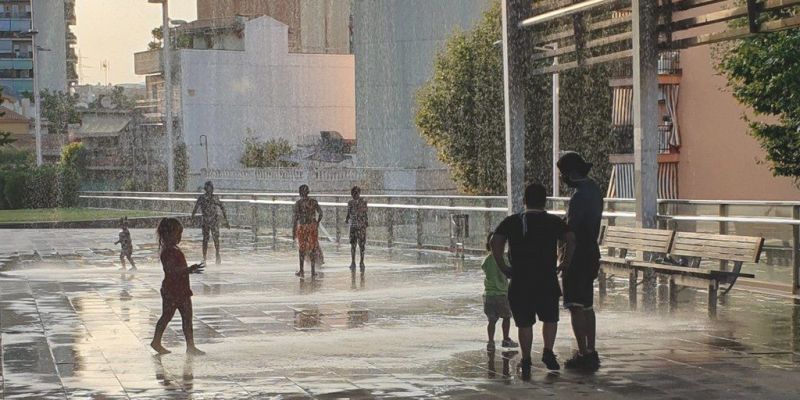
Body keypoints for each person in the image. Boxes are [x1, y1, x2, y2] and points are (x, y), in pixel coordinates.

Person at [491, 183, 575, 373]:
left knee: (525, 322)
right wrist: (566, 262)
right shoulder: (553, 222)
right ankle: (547, 351)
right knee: (550, 318)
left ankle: (527, 359)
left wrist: (503, 266)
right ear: (544, 201)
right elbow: (571, 238)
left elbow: (495, 241)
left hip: (520, 279)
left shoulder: (513, 221)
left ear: (524, 201)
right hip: (546, 277)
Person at [557, 151, 604, 370]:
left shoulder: (577, 197)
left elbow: (571, 233)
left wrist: (565, 262)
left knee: (575, 305)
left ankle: (583, 353)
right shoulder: (594, 189)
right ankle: (592, 350)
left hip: (578, 255)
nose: (562, 178)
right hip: (592, 252)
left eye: (563, 173)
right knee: (587, 305)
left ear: (571, 172)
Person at [150, 217, 205, 355]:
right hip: (172, 290)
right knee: (167, 316)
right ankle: (156, 342)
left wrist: (188, 271)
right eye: (178, 234)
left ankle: (190, 346)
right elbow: (171, 271)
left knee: (187, 318)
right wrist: (188, 270)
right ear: (168, 234)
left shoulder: (173, 248)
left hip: (181, 289)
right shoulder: (167, 251)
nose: (180, 237)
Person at [481, 231, 517, 351]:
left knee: (491, 320)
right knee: (506, 317)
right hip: (502, 294)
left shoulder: (486, 260)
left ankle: (491, 342)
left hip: (488, 295)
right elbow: (509, 272)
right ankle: (506, 339)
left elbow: (485, 270)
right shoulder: (504, 259)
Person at [191, 181, 230, 265]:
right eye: (209, 188)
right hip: (205, 221)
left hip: (214, 221)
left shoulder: (214, 198)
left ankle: (217, 255)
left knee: (216, 238)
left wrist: (226, 220)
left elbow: (222, 207)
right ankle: (204, 257)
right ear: (206, 189)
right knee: (205, 239)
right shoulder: (202, 198)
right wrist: (192, 217)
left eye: (211, 188)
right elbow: (195, 208)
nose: (210, 190)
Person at [292, 184, 323, 277]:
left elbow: (295, 219)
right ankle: (313, 271)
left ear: (300, 193)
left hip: (302, 227)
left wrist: (293, 231)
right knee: (312, 248)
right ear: (308, 192)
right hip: (312, 227)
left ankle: (301, 271)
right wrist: (317, 222)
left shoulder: (298, 203)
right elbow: (321, 213)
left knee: (302, 249)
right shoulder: (313, 202)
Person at [345, 186, 368, 271]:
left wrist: (366, 221)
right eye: (353, 194)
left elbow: (365, 213)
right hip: (355, 226)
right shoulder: (351, 203)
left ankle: (361, 261)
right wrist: (347, 218)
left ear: (359, 193)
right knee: (353, 245)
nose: (355, 195)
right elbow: (349, 212)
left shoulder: (362, 202)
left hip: (360, 226)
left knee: (360, 245)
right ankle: (354, 261)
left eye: (356, 193)